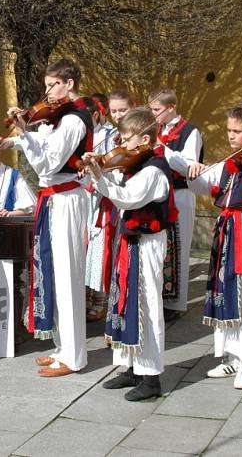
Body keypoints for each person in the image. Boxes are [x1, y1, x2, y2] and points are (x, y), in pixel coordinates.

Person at [0, 58, 92, 377]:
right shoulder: (57, 117)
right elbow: (40, 142)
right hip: (52, 199)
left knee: (68, 276)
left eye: (52, 85)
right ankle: (62, 347)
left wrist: (22, 131)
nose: (46, 93)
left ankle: (75, 357)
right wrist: (11, 139)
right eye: (45, 86)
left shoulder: (75, 119)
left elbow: (47, 164)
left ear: (69, 83)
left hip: (67, 198)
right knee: (53, 271)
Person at [185, 105, 242, 389]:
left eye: (236, 131)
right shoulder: (227, 163)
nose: (230, 136)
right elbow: (202, 186)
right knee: (227, 291)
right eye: (228, 130)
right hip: (228, 228)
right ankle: (232, 355)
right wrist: (193, 171)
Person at [85, 108, 173, 401]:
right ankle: (131, 365)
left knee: (146, 305)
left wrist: (100, 175)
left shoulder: (153, 170)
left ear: (145, 140)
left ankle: (151, 377)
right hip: (131, 240)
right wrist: (100, 173)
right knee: (124, 302)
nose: (120, 146)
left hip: (147, 243)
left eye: (126, 139)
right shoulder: (135, 166)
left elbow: (127, 198)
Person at [149, 88, 203, 322]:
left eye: (157, 110)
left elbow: (189, 165)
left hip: (181, 192)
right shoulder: (157, 129)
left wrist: (162, 148)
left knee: (179, 246)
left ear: (171, 108)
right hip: (160, 193)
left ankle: (177, 302)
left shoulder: (191, 131)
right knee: (163, 247)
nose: (153, 115)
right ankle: (161, 296)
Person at [81, 94, 119, 321]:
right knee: (83, 247)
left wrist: (97, 169)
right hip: (81, 196)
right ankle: (84, 294)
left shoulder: (110, 135)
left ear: (95, 115)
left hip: (101, 196)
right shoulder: (78, 133)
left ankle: (100, 298)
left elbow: (115, 165)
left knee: (100, 247)